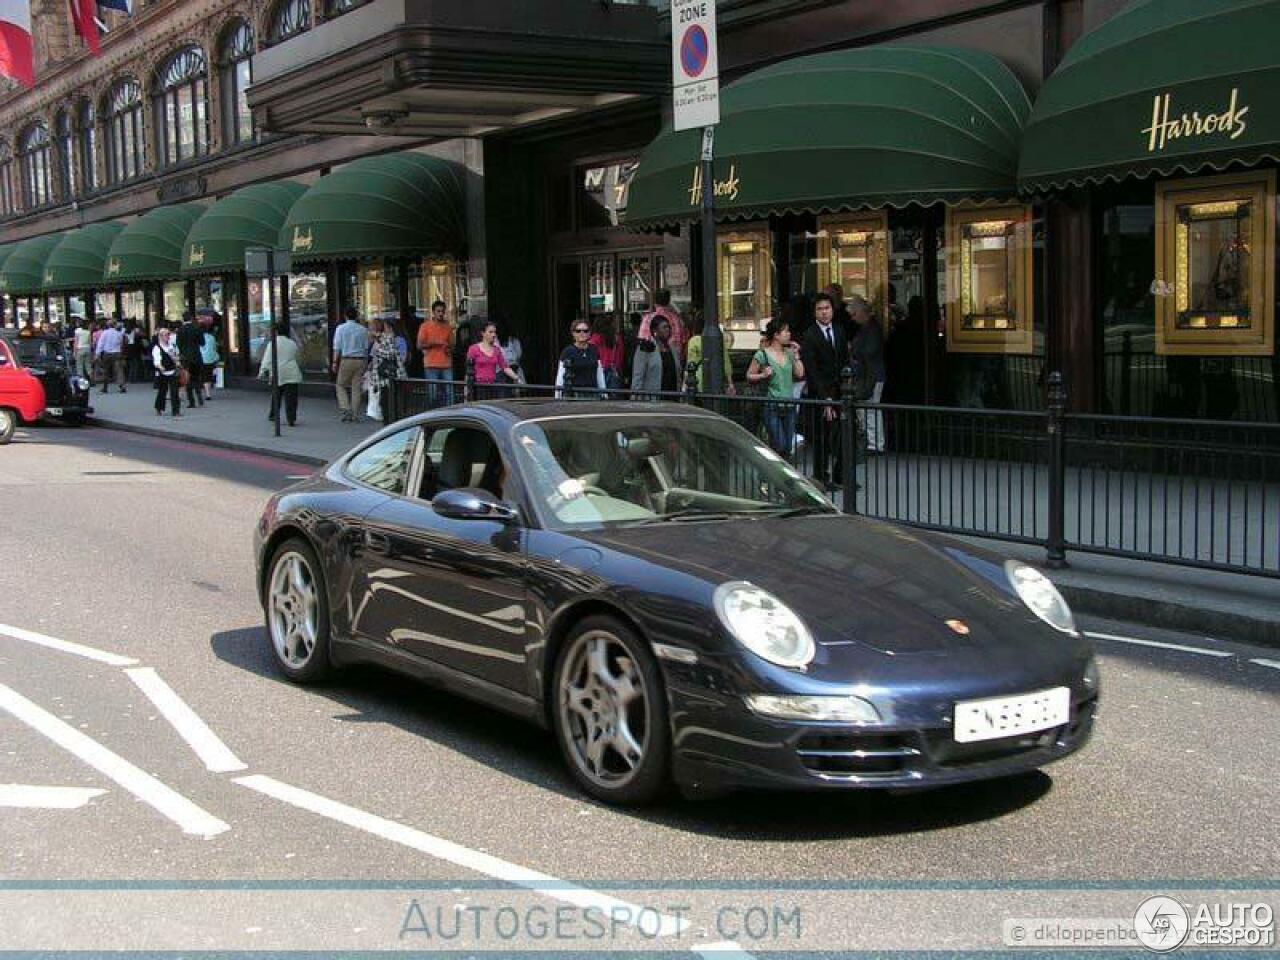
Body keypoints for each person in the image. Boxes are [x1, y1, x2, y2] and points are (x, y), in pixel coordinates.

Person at [800, 292, 849, 489]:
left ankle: (840, 475)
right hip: (821, 393)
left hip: (841, 391)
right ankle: (821, 477)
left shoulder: (839, 331)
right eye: (820, 309)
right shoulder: (810, 335)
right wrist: (825, 397)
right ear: (814, 313)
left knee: (844, 434)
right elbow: (812, 370)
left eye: (827, 308)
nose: (824, 313)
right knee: (823, 437)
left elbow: (845, 359)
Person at [748, 319, 805, 457]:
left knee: (786, 446)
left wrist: (797, 355)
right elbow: (749, 375)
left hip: (789, 404)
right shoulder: (762, 355)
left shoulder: (789, 353)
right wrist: (763, 374)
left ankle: (778, 474)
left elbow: (800, 373)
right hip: (771, 404)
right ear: (776, 335)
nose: (789, 334)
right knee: (779, 443)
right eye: (786, 331)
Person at [258, 323, 303, 427]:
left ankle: (273, 414)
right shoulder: (292, 343)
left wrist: (262, 371)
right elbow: (297, 357)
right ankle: (291, 418)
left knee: (276, 395)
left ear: (276, 332)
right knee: (291, 397)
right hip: (292, 372)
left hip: (278, 372)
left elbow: (267, 359)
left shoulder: (273, 344)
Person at [331, 306, 370, 422]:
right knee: (356, 387)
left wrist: (334, 362)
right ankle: (355, 413)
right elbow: (366, 347)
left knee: (340, 385)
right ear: (356, 316)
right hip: (360, 359)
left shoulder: (341, 328)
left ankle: (345, 408)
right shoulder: (363, 329)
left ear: (345, 316)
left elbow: (336, 347)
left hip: (346, 359)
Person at [364, 317, 406, 423]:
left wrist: (379, 351)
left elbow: (392, 354)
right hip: (383, 377)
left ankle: (390, 423)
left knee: (388, 402)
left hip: (388, 376)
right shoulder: (381, 339)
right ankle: (388, 422)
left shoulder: (388, 338)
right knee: (384, 402)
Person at [684, 312, 736, 394]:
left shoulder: (693, 341)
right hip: (716, 379)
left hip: (698, 381)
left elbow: (691, 364)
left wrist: (685, 383)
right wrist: (730, 383)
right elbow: (726, 362)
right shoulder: (718, 340)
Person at [466, 321, 520, 399]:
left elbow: (505, 367)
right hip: (479, 387)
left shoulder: (496, 350)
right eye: (490, 332)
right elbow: (468, 369)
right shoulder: (473, 349)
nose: (493, 335)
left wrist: (516, 378)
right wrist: (467, 389)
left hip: (493, 386)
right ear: (483, 333)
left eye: (494, 332)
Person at [416, 300, 454, 407]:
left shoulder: (448, 327)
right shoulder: (425, 326)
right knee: (432, 393)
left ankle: (450, 415)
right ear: (433, 312)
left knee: (449, 392)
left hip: (446, 363)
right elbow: (419, 345)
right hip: (431, 364)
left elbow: (452, 345)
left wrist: (449, 349)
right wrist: (433, 344)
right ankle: (432, 414)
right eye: (438, 311)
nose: (441, 314)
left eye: (442, 311)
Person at [556, 319, 607, 396]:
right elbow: (560, 376)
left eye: (585, 331)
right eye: (578, 331)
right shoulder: (567, 351)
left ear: (589, 333)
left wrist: (604, 393)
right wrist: (558, 396)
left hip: (593, 393)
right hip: (574, 394)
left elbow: (599, 374)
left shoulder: (594, 350)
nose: (582, 333)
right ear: (573, 333)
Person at [631, 316, 680, 396]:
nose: (667, 330)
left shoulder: (672, 349)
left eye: (668, 327)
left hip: (673, 397)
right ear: (655, 330)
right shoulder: (646, 348)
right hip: (653, 399)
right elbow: (638, 376)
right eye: (664, 327)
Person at [638, 289, 686, 366]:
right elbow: (683, 342)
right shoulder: (677, 320)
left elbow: (642, 342)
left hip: (653, 363)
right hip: (673, 362)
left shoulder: (647, 319)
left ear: (655, 302)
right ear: (668, 301)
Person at [175, 312, 205, 408]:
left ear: (183, 319)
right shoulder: (197, 328)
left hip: (185, 358)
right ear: (191, 318)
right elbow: (202, 342)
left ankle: (191, 401)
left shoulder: (180, 330)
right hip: (196, 356)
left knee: (187, 379)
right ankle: (199, 396)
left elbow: (178, 344)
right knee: (196, 377)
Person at [151, 327, 182, 417]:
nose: (168, 336)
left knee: (174, 392)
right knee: (162, 392)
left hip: (173, 371)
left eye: (169, 334)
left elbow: (176, 356)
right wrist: (160, 367)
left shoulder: (172, 346)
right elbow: (156, 361)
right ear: (160, 336)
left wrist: (178, 362)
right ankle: (159, 408)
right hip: (163, 373)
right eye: (166, 335)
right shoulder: (157, 348)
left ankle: (176, 411)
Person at [588, 316, 625, 390]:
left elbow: (590, 356)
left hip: (599, 370)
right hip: (614, 369)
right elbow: (621, 355)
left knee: (600, 396)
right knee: (614, 397)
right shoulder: (617, 338)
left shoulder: (594, 338)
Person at [94, 319, 126, 393]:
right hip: (117, 353)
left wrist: (97, 353)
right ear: (115, 325)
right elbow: (121, 343)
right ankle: (122, 386)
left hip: (107, 353)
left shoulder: (105, 333)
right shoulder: (119, 333)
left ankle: (105, 387)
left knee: (106, 370)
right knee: (119, 370)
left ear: (108, 325)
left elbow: (101, 343)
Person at [199, 319, 220, 402]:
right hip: (210, 359)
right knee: (208, 375)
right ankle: (208, 393)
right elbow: (215, 348)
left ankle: (206, 393)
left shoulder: (199, 338)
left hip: (201, 359)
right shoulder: (212, 338)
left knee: (203, 376)